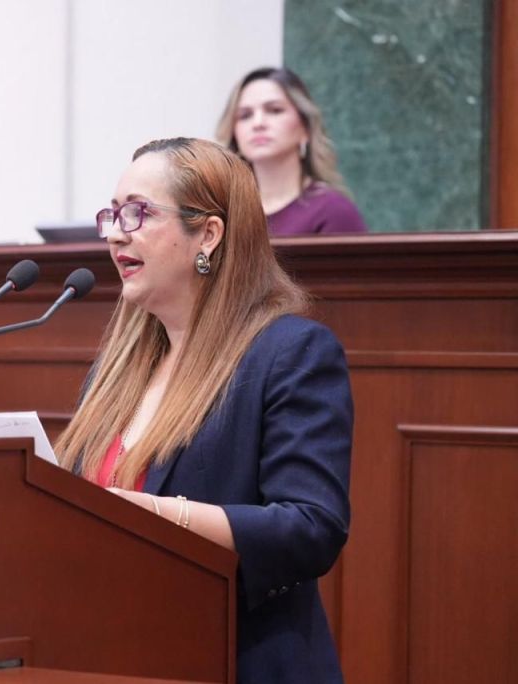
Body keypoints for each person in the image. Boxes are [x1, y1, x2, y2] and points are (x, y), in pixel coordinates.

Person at [56, 138, 352, 682]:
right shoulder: (115, 370)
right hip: (117, 655)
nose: (115, 232)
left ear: (209, 234)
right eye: (112, 214)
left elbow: (310, 528)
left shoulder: (289, 353)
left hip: (236, 659)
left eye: (138, 213)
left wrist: (153, 513)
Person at [215, 66, 368, 236]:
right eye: (245, 115)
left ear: (305, 128)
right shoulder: (220, 215)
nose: (258, 123)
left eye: (275, 110)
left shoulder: (335, 211)